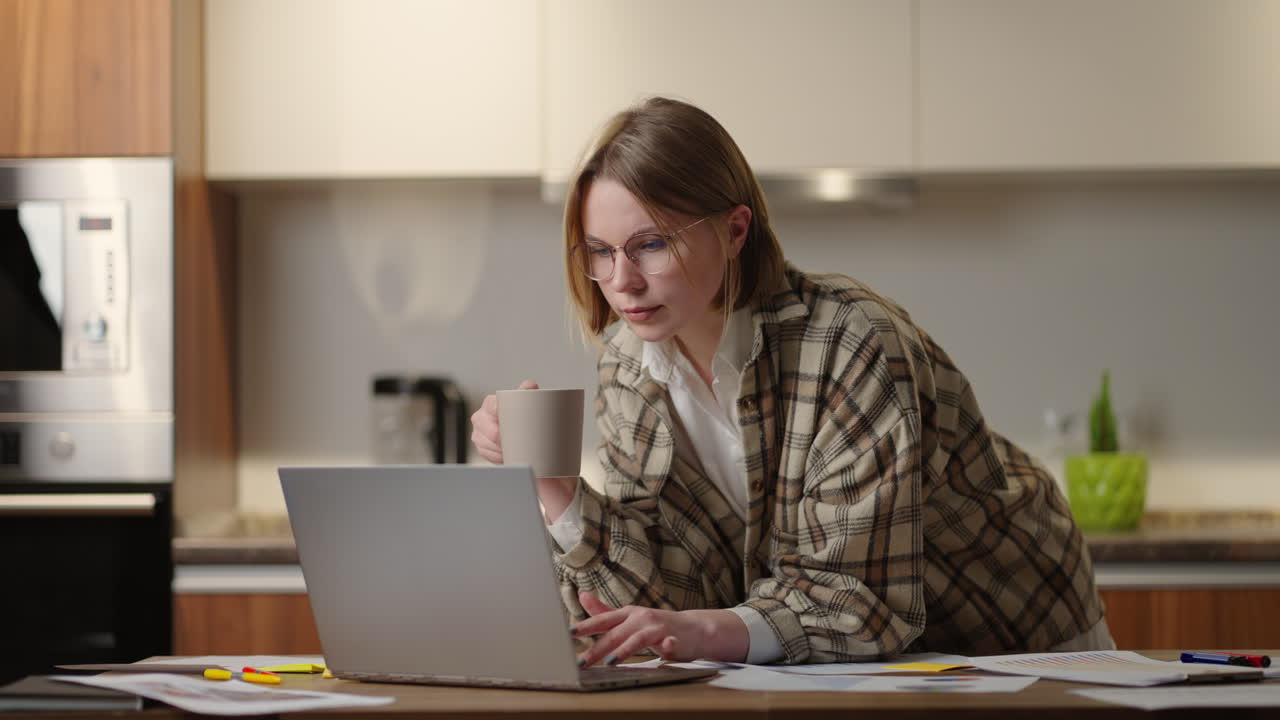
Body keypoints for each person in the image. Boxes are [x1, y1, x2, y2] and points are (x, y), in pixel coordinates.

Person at [471, 96, 1112, 666]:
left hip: (1015, 641)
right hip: (853, 666)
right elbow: (662, 601)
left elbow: (857, 599)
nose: (622, 282)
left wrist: (703, 631)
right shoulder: (629, 363)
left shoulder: (849, 341)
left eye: (651, 245)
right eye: (601, 253)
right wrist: (556, 493)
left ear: (735, 230)